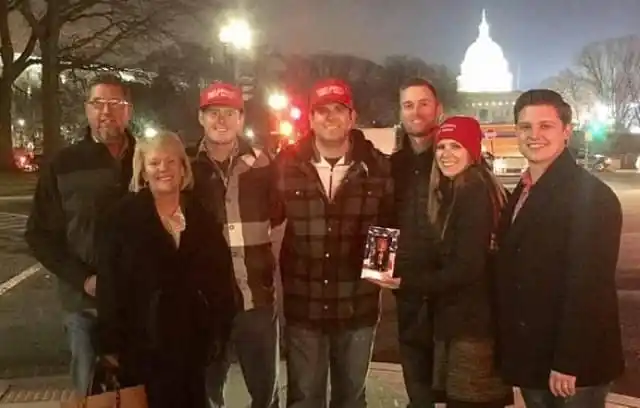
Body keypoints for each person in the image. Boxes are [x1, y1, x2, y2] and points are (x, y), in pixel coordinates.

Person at [494, 89, 624, 407]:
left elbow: (589, 286)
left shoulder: (592, 196)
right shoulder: (523, 190)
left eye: (545, 126)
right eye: (525, 127)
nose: (534, 135)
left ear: (566, 131)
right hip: (534, 354)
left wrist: (569, 361)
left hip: (573, 366)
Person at [273, 78, 394, 407]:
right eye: (321, 111)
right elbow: (267, 218)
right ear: (310, 119)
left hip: (357, 307)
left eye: (338, 110)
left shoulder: (378, 167)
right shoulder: (286, 165)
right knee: (304, 397)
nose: (329, 117)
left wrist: (379, 271)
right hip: (304, 306)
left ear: (352, 117)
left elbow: (388, 227)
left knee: (351, 398)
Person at [96, 131, 237, 408]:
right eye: (155, 163)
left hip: (191, 346)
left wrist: (219, 330)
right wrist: (110, 344)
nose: (163, 169)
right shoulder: (121, 219)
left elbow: (220, 278)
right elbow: (110, 285)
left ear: (183, 168)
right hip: (140, 346)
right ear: (143, 171)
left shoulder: (201, 216)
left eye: (171, 162)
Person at [25, 74, 135, 397]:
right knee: (92, 391)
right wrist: (83, 278)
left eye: (115, 104)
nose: (106, 112)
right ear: (86, 110)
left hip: (139, 304)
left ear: (128, 110)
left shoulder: (147, 158)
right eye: (97, 104)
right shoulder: (63, 164)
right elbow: (39, 235)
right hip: (84, 304)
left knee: (141, 391)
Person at [398, 116, 512, 408]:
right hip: (469, 323)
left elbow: (466, 268)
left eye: (456, 146)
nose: (446, 154)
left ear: (473, 150)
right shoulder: (463, 188)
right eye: (441, 147)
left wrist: (406, 281)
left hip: (473, 329)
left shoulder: (472, 192)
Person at [192, 82, 282, 408]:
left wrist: (274, 278)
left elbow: (281, 221)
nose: (221, 120)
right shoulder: (186, 167)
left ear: (241, 119)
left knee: (266, 393)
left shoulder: (264, 164)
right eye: (213, 113)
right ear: (200, 118)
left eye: (229, 113)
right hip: (205, 304)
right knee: (204, 393)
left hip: (255, 299)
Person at [386, 77, 445, 407]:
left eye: (424, 103)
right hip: (407, 288)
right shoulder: (393, 166)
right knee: (418, 384)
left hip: (452, 289)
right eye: (408, 105)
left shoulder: (454, 159)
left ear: (438, 109)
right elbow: (381, 218)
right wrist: (380, 270)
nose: (416, 111)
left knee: (458, 383)